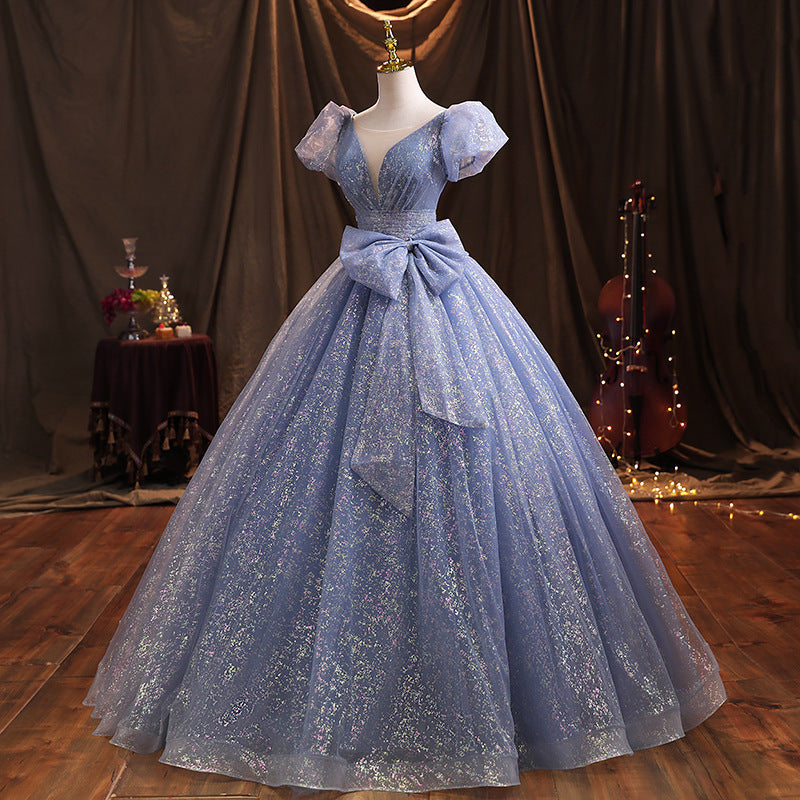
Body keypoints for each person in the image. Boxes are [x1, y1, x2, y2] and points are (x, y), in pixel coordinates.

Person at [84, 22, 725, 792]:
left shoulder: (456, 125)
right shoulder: (337, 129)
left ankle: (493, 693)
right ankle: (322, 699)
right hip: (354, 300)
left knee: (469, 464)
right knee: (311, 479)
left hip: (444, 303)